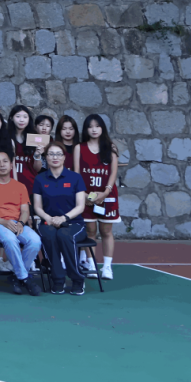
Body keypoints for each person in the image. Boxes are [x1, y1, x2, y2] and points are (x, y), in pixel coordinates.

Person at [0, 149, 42, 296]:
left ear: (11, 165)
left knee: (35, 241)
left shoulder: (20, 186)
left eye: (5, 161)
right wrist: (3, 222)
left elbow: (25, 211)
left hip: (16, 223)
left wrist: (21, 223)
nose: (2, 165)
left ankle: (17, 277)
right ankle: (24, 278)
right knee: (10, 239)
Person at [33, 140, 89, 295]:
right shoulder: (40, 179)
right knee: (49, 235)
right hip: (48, 221)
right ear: (46, 157)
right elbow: (37, 207)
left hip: (73, 223)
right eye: (51, 154)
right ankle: (58, 279)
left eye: (58, 154)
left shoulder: (75, 178)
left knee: (64, 235)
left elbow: (80, 206)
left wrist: (64, 218)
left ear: (64, 157)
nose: (55, 157)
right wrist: (49, 218)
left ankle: (77, 279)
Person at [75, 114, 120, 280]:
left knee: (106, 231)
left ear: (102, 128)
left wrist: (106, 192)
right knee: (90, 231)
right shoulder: (80, 148)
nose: (94, 129)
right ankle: (92, 264)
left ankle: (107, 267)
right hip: (87, 196)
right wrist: (84, 194)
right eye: (90, 126)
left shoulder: (111, 147)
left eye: (97, 126)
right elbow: (77, 174)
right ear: (86, 129)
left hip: (107, 195)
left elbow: (113, 173)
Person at [6, 105, 44, 195]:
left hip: (30, 186)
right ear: (11, 118)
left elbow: (37, 169)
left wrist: (38, 155)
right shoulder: (5, 137)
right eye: (18, 116)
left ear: (29, 119)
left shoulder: (34, 138)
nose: (21, 120)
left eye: (25, 117)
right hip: (9, 185)